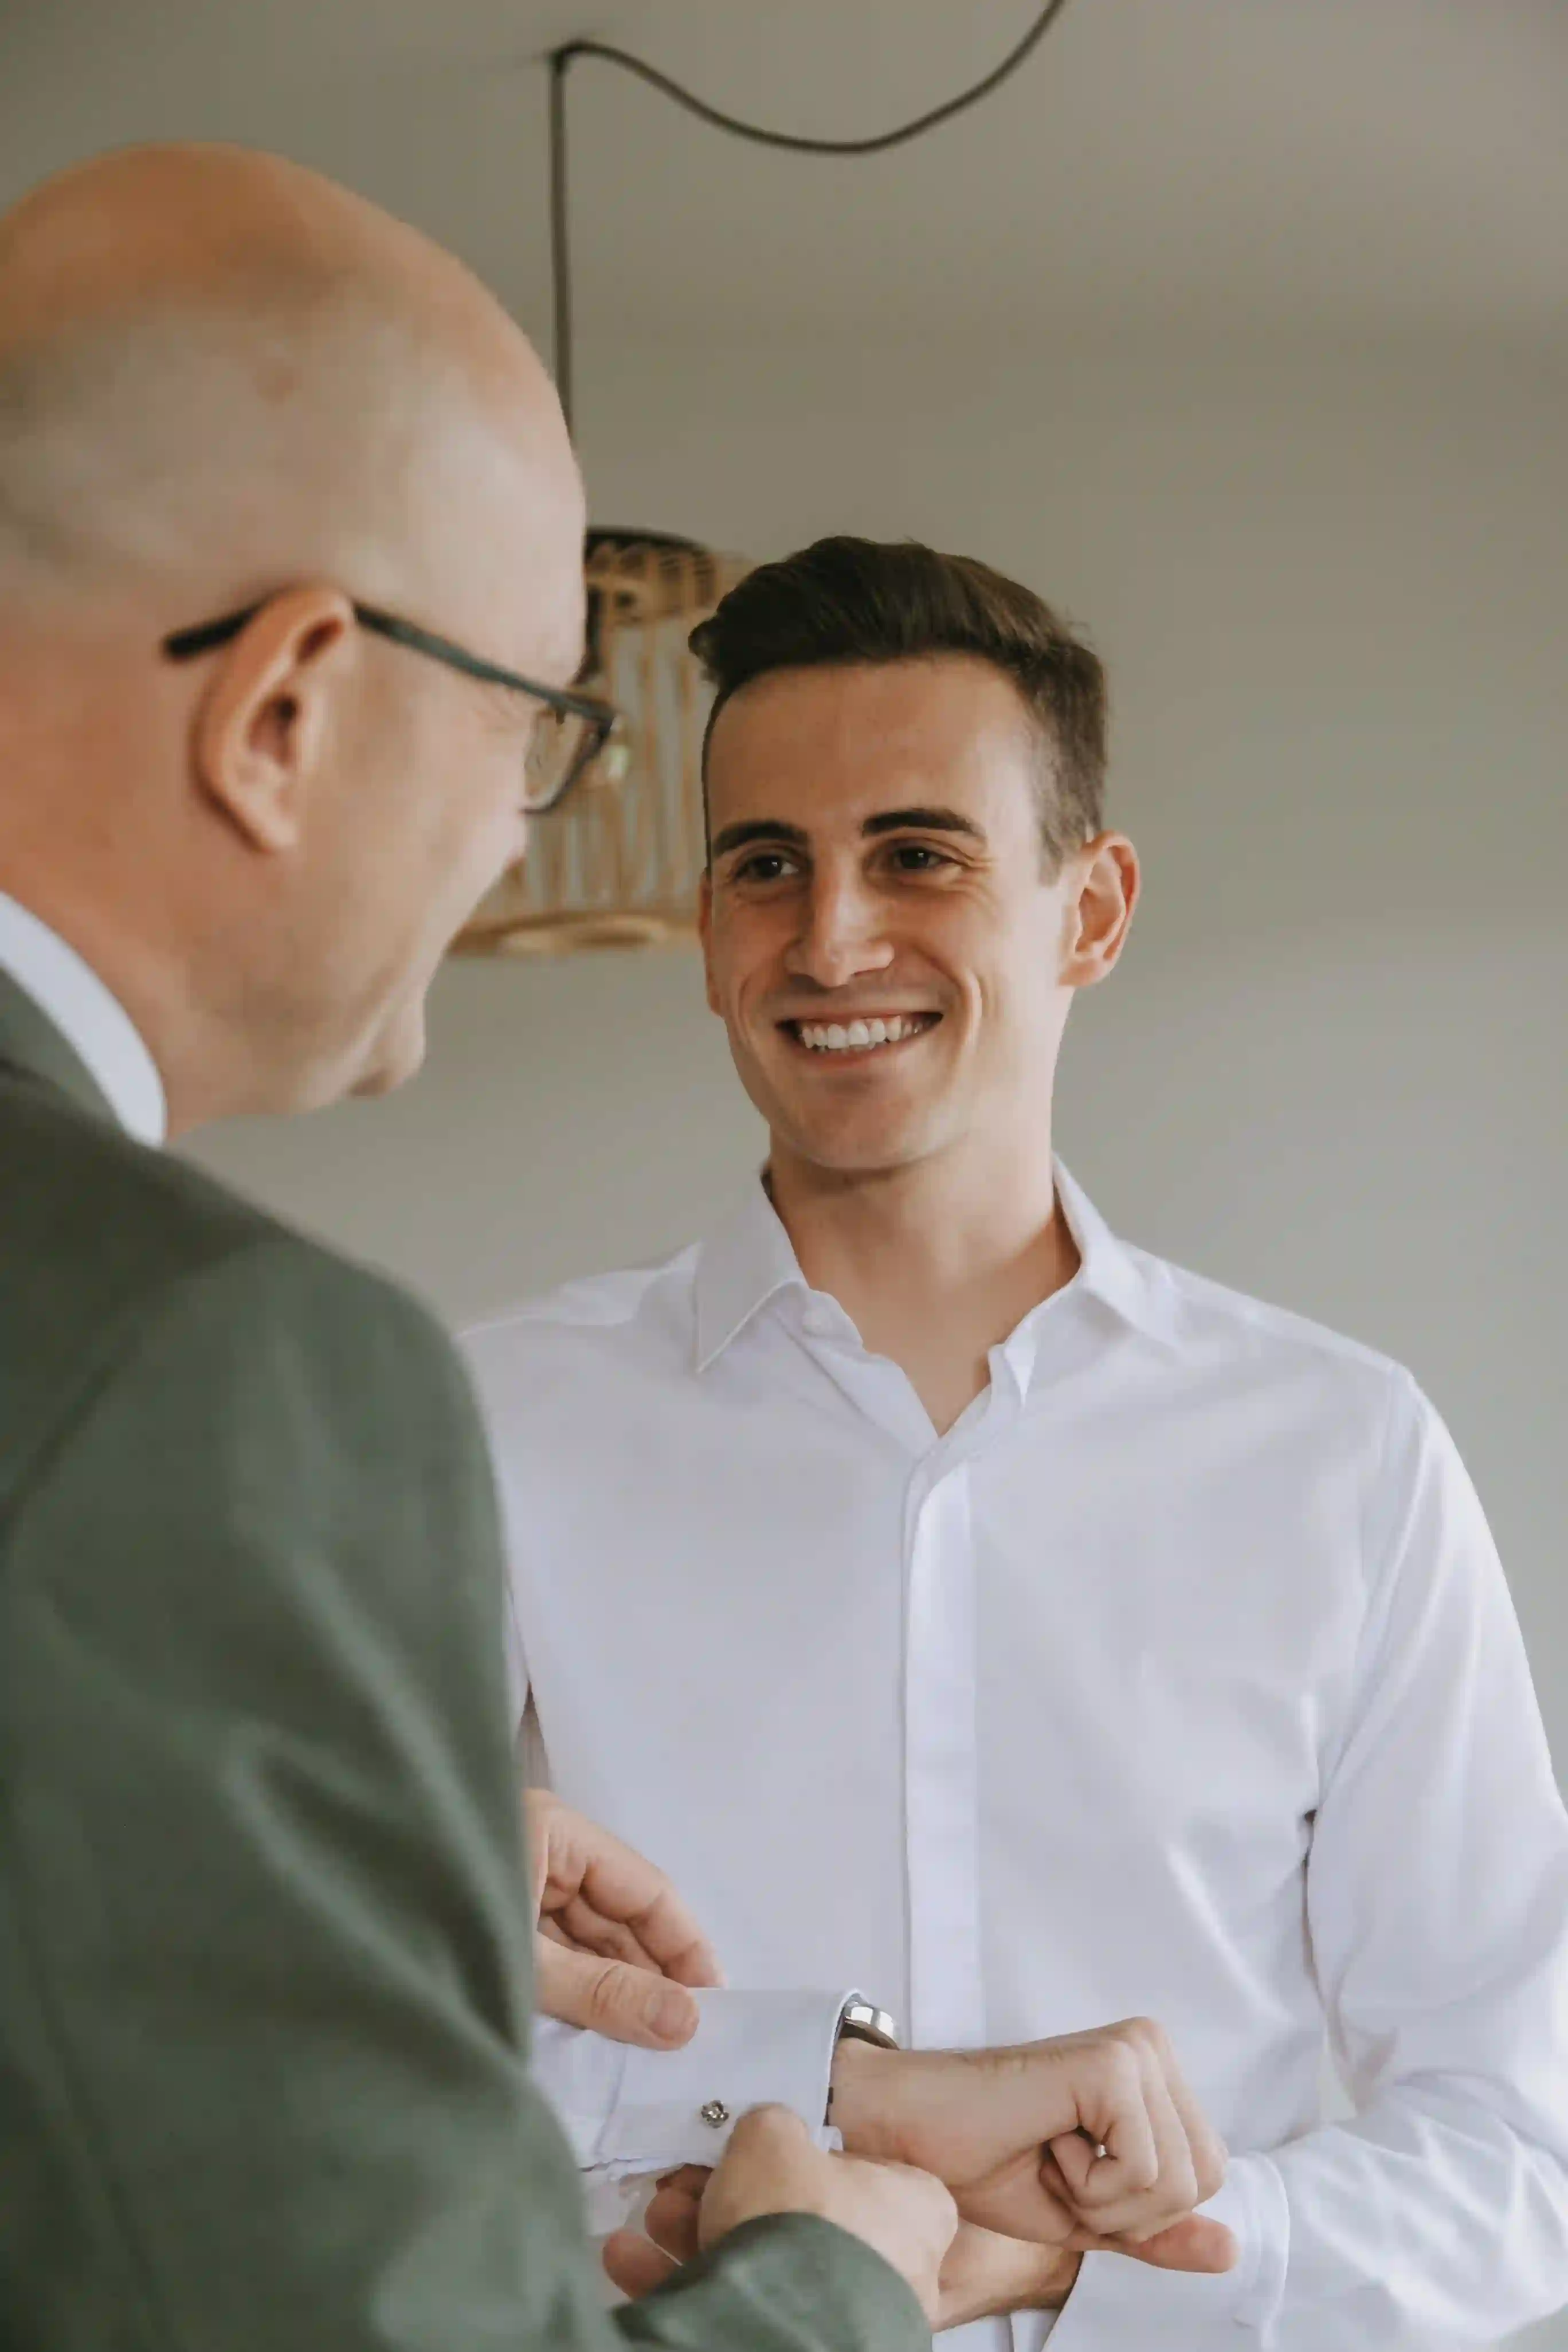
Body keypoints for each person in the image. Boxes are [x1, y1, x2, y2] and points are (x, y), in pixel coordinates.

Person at [0, 144, 1231, 2352]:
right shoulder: (237, 1367)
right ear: (283, 713)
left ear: (1089, 911)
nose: (514, 836)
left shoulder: (1344, 1444)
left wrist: (434, 1906)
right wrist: (834, 2283)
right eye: (539, 727)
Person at [465, 535, 1568, 2349]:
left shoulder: (1343, 1458)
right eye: (767, 867)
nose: (830, 939)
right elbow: (354, 2038)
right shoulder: (489, 1424)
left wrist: (1082, 2268)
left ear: (1094, 910)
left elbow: (1524, 2141)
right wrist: (815, 2126)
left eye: (919, 855)